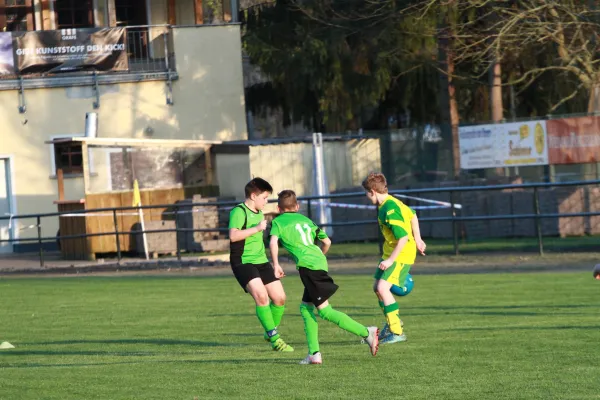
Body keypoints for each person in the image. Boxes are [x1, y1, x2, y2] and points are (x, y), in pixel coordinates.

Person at [269, 189, 379, 364]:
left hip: (309, 267)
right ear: (297, 206)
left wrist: (276, 264)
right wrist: (320, 256)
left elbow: (273, 241)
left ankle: (367, 332)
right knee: (306, 308)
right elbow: (327, 241)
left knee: (325, 311)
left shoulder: (278, 222)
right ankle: (314, 354)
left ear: (279, 207)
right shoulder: (306, 220)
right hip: (317, 263)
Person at [229, 178, 293, 352]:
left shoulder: (258, 213)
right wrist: (257, 228)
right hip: (243, 261)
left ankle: (269, 332)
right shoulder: (239, 212)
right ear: (253, 195)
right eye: (264, 198)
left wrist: (275, 264)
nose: (266, 202)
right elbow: (233, 236)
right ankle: (275, 339)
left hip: (261, 261)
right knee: (262, 297)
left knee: (280, 298)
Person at [362, 172, 426, 344]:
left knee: (383, 288)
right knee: (377, 287)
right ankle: (392, 323)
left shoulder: (390, 209)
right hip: (391, 253)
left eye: (367, 194)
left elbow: (403, 238)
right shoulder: (393, 202)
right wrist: (419, 239)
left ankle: (397, 332)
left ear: (372, 192)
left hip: (400, 254)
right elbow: (412, 215)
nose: (367, 197)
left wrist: (391, 260)